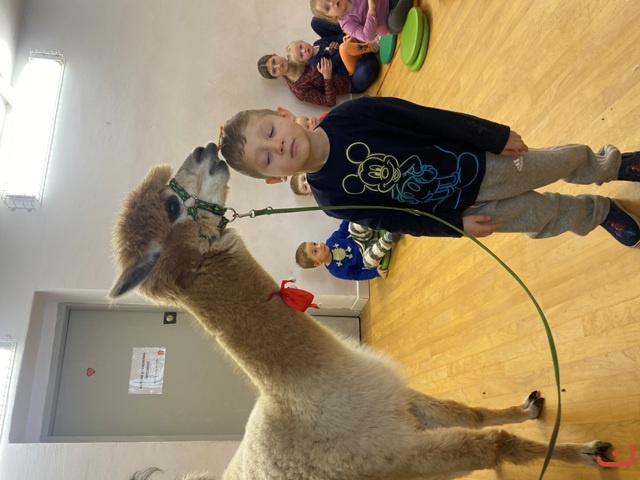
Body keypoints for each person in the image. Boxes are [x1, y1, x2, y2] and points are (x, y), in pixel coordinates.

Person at [219, 96, 640, 248]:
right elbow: (401, 220)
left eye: (270, 132)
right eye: (266, 158)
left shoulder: (352, 114)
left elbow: (428, 118)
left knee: (557, 162)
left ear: (283, 114)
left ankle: (611, 164)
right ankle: (599, 213)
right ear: (274, 179)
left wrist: (492, 136)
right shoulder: (332, 201)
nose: (277, 146)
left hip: (485, 164)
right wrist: (455, 226)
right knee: (540, 216)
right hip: (465, 209)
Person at [296, 220, 400, 280]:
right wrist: (375, 272)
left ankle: (380, 219)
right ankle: (388, 238)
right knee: (369, 262)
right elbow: (357, 275)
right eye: (315, 251)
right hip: (368, 254)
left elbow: (343, 229)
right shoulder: (336, 271)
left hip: (363, 239)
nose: (319, 246)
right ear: (318, 263)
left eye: (314, 243)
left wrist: (349, 215)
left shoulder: (331, 241)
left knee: (352, 226)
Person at [311, 0, 414, 43]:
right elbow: (367, 37)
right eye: (327, 8)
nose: (332, 3)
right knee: (395, 22)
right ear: (330, 17)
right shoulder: (346, 23)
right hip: (388, 22)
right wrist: (372, 9)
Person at [287, 37, 378, 80]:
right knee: (344, 48)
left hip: (349, 54)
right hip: (347, 67)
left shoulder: (317, 43)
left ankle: (369, 41)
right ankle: (373, 46)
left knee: (348, 36)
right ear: (305, 61)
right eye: (301, 55)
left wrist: (337, 43)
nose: (304, 50)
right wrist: (341, 48)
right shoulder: (316, 62)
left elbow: (332, 41)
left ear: (303, 41)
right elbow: (334, 63)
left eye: (301, 46)